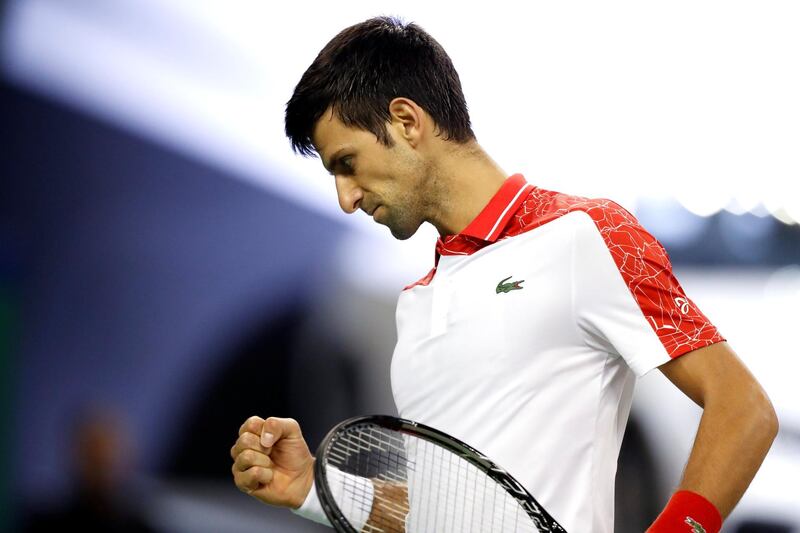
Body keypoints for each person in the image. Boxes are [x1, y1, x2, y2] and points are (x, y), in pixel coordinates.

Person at [230, 16, 778, 532]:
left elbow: (743, 410)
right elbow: (443, 511)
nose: (346, 198)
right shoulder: (416, 303)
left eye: (346, 164)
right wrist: (312, 489)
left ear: (405, 121)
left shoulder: (586, 234)